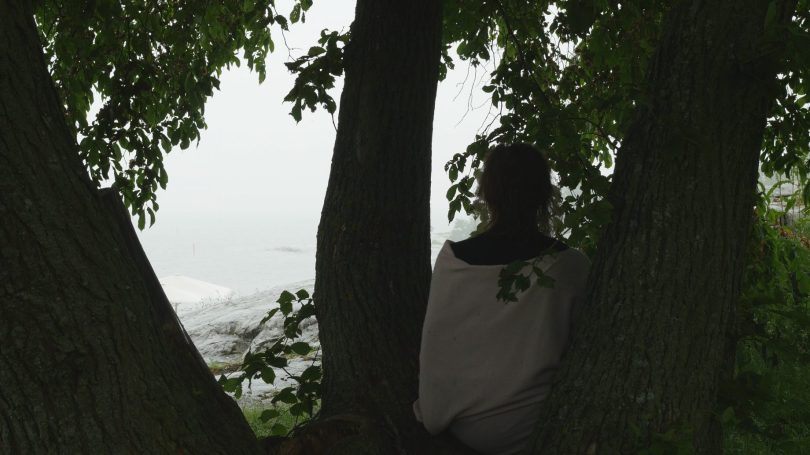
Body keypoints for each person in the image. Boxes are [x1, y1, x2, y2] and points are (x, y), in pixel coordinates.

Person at [413, 143, 590, 454]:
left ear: (487, 195)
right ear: (545, 195)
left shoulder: (453, 260)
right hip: (529, 427)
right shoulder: (570, 265)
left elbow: (438, 352)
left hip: (457, 423)